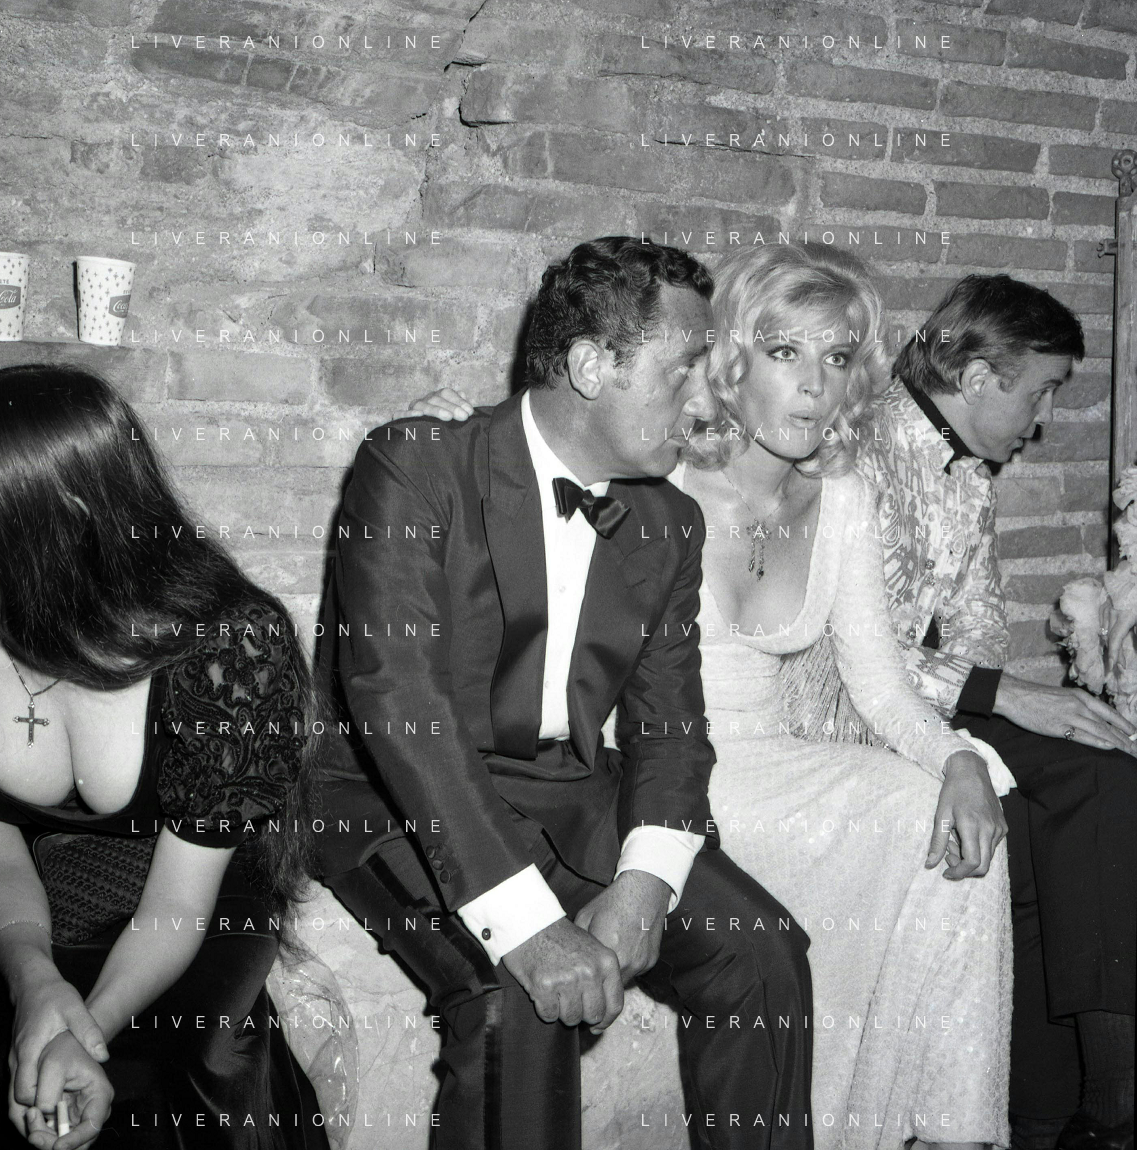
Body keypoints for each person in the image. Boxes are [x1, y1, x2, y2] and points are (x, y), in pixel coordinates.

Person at [407, 242, 1016, 1149]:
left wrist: (960, 758)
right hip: (656, 772)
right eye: (784, 351)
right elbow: (533, 470)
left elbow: (882, 685)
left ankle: (943, 1131)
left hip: (776, 760)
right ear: (728, 359)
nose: (813, 384)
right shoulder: (656, 466)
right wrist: (454, 430)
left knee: (944, 814)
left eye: (837, 356)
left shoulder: (841, 499)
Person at [315, 237, 815, 1150]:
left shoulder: (668, 520)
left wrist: (644, 881)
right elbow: (399, 708)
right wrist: (527, 925)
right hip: (395, 798)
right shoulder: (415, 465)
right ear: (590, 367)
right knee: (515, 998)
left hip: (567, 790)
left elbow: (671, 728)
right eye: (683, 369)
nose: (708, 401)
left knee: (761, 951)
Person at [0, 365, 326, 1149]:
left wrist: (85, 1029)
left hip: (188, 903)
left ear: (56, 516)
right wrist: (34, 981)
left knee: (191, 1058)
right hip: (9, 904)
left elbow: (178, 901)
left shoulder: (229, 648)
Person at [832, 275, 1136, 1150]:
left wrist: (1012, 701)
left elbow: (978, 629)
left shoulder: (966, 472)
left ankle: (1066, 1113)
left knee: (1097, 779)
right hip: (847, 713)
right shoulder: (858, 454)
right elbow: (850, 649)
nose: (1044, 419)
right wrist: (1000, 696)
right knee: (1065, 805)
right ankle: (1107, 1108)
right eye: (1041, 391)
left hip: (935, 701)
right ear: (974, 379)